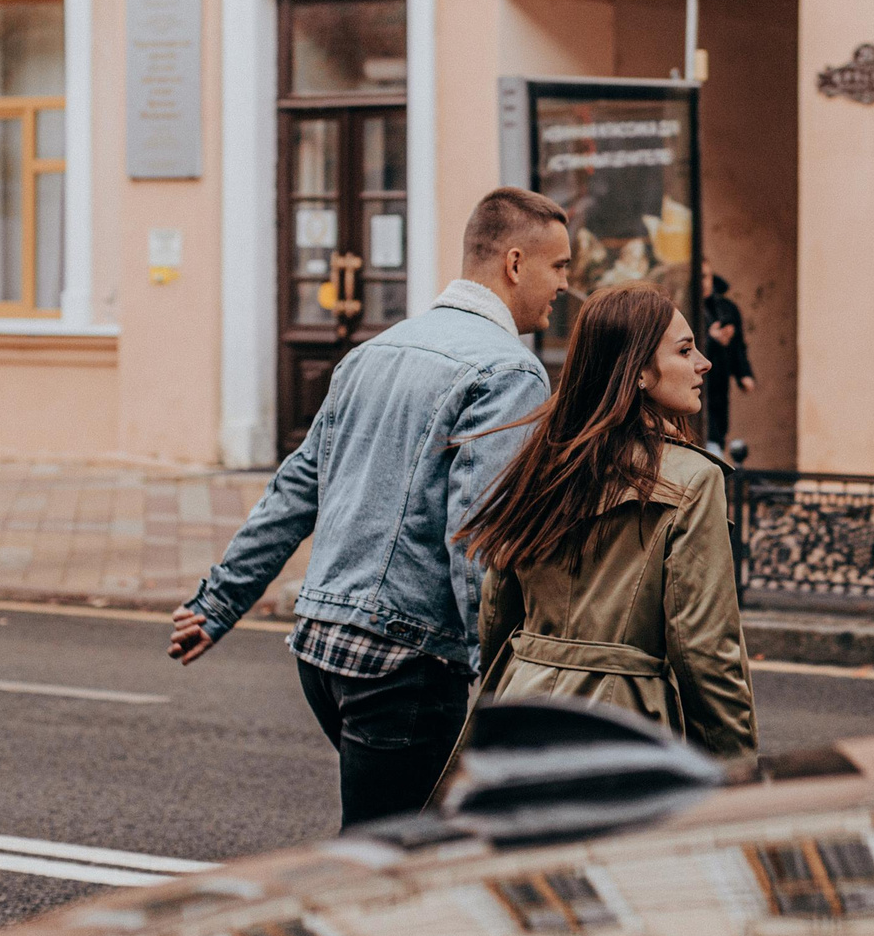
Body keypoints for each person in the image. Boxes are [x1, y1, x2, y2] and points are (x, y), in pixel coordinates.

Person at [168, 187, 574, 828]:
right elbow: (476, 536)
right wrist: (501, 677)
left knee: (409, 846)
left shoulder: (374, 352)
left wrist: (218, 604)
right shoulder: (508, 373)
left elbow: (295, 490)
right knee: (388, 867)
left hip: (321, 649)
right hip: (405, 663)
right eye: (560, 269)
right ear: (516, 264)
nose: (564, 289)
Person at [460, 282, 757, 760]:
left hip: (524, 709)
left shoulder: (544, 461)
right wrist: (738, 769)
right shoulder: (694, 479)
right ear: (639, 371)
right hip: (624, 729)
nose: (704, 362)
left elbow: (496, 615)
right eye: (685, 350)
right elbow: (705, 652)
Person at [699, 263, 755, 452]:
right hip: (698, 383)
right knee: (708, 437)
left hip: (718, 382)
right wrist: (711, 339)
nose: (703, 283)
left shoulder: (726, 308)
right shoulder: (685, 307)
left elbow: (737, 346)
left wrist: (744, 374)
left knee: (718, 432)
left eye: (706, 276)